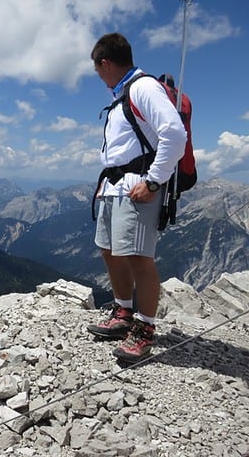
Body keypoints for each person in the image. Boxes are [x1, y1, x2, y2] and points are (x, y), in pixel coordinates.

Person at [86, 33, 187, 362]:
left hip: (137, 187)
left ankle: (144, 329)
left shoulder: (142, 88)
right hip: (114, 188)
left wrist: (154, 182)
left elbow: (174, 134)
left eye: (98, 71)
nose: (99, 78)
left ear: (106, 63)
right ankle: (123, 313)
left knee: (139, 258)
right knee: (109, 249)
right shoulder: (122, 95)